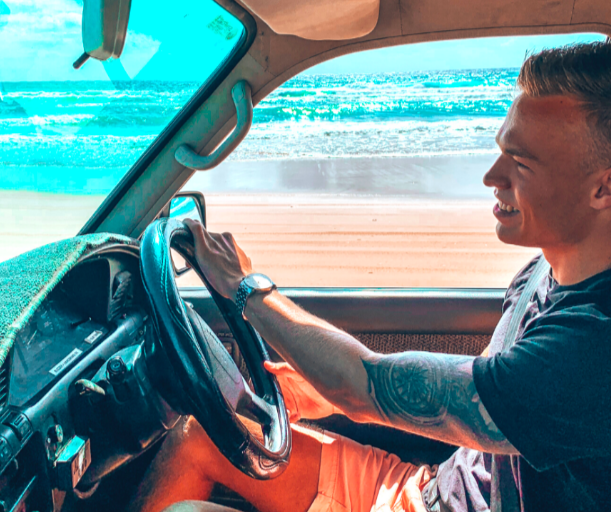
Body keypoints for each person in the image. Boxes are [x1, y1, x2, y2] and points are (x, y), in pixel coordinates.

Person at [130, 42, 611, 512]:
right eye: (502, 151)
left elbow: (361, 387)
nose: (492, 175)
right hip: (427, 487)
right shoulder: (544, 270)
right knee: (200, 437)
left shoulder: (590, 352)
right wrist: (325, 394)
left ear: (603, 186)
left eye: (521, 163)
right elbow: (478, 383)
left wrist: (244, 287)